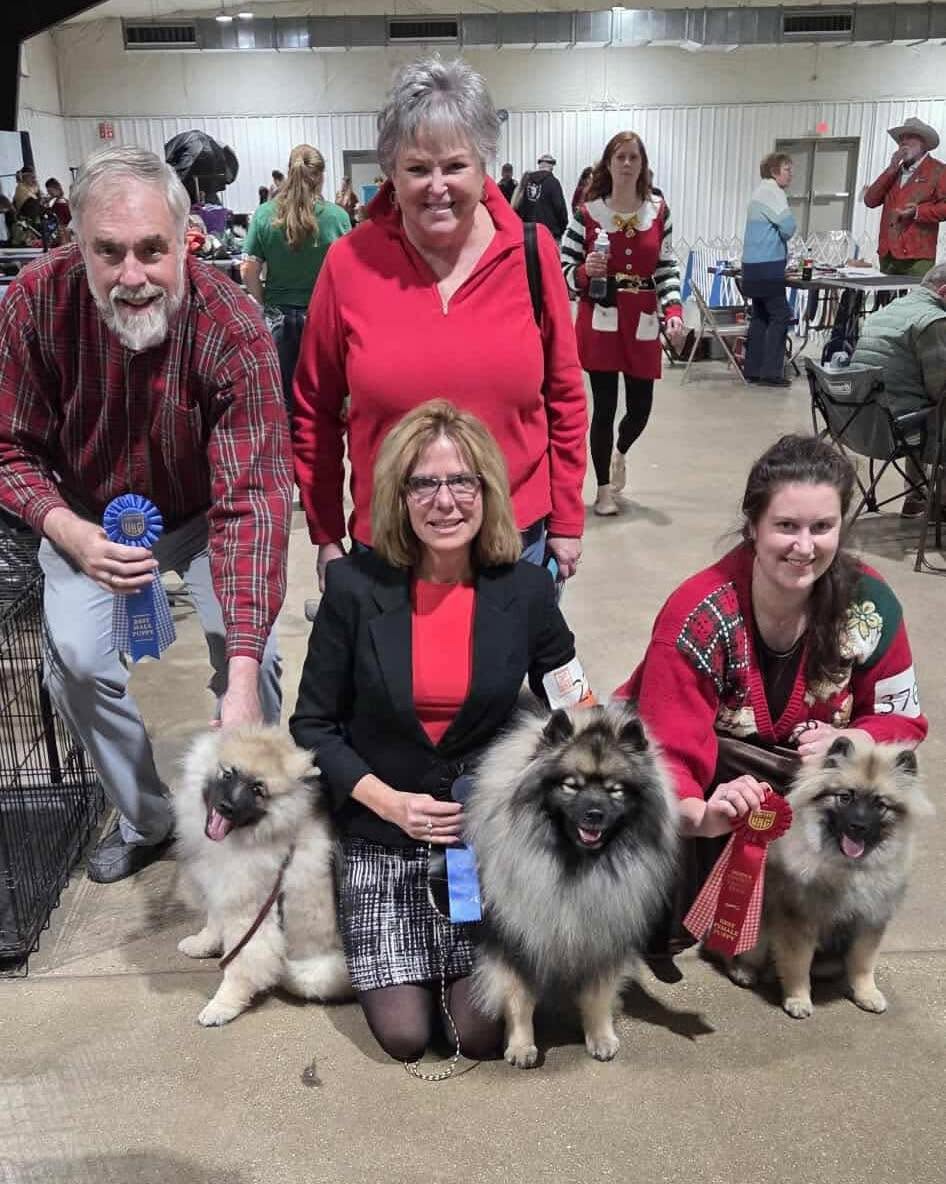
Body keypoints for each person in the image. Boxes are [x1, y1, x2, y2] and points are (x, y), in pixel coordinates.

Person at [0, 145, 293, 884]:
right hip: (85, 514)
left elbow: (254, 501)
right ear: (75, 240)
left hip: (205, 513)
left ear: (186, 238)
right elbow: (8, 448)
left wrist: (244, 672)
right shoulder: (33, 304)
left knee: (254, 659)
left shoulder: (235, 329)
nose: (132, 276)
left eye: (151, 251)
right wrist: (68, 530)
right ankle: (147, 817)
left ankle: (245, 809)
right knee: (75, 660)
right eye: (109, 252)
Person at [290, 401, 578, 1063]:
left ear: (487, 491)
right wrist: (388, 802)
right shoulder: (354, 588)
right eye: (424, 483)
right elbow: (312, 724)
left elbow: (575, 706)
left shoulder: (527, 591)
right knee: (405, 1037)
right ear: (399, 494)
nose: (444, 501)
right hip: (381, 831)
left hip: (478, 847)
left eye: (462, 482)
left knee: (479, 1037)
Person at [614, 434, 927, 950]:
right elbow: (666, 752)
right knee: (659, 925)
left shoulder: (871, 603)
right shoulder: (695, 612)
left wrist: (853, 742)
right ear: (752, 527)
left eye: (822, 527)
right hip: (707, 775)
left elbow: (903, 721)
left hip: (806, 779)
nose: (805, 547)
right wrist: (701, 814)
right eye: (786, 526)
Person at [293, 57, 587, 592]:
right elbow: (313, 408)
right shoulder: (348, 262)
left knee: (506, 679)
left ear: (483, 165)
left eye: (454, 166)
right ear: (391, 173)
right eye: (417, 168)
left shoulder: (531, 253)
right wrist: (327, 534)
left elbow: (565, 397)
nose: (437, 186)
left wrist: (566, 520)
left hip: (514, 545)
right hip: (387, 549)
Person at [561, 131, 685, 517]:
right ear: (609, 164)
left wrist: (674, 311)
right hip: (601, 317)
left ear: (643, 164)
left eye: (634, 157)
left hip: (643, 319)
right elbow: (561, 270)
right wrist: (583, 272)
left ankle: (620, 452)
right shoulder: (588, 213)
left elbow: (665, 266)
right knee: (604, 407)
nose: (627, 164)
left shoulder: (658, 211)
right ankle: (602, 489)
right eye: (620, 157)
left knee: (640, 408)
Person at [242, 145, 351, 412]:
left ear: (290, 173)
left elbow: (248, 269)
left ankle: (287, 453)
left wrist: (263, 300)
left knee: (283, 403)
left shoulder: (264, 214)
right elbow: (351, 272)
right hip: (322, 318)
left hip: (278, 316)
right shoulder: (337, 217)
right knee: (323, 401)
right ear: (322, 176)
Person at [852, 261, 946, 517]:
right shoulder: (933, 321)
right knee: (934, 412)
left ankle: (915, 496)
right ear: (944, 292)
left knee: (914, 404)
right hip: (899, 430)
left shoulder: (888, 310)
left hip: (860, 422)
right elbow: (941, 389)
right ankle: (941, 504)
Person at [741, 152, 797, 388]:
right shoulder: (773, 192)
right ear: (774, 172)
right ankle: (772, 372)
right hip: (768, 265)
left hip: (751, 267)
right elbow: (788, 227)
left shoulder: (758, 193)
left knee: (760, 316)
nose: (791, 174)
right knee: (780, 315)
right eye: (787, 169)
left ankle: (753, 369)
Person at [863, 117, 946, 277]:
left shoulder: (939, 171)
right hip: (887, 255)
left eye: (910, 137)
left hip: (917, 256)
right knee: (887, 301)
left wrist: (918, 212)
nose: (904, 142)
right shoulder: (893, 173)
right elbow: (870, 200)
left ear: (924, 143)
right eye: (901, 138)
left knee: (916, 300)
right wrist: (890, 169)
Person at [512, 154, 569, 242]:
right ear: (552, 166)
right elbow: (560, 208)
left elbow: (518, 206)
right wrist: (561, 229)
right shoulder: (553, 183)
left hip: (528, 233)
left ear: (539, 165)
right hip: (549, 234)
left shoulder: (526, 181)